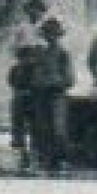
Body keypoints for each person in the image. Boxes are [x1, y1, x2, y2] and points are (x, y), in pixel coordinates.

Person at [27, 18, 75, 175]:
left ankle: (63, 161)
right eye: (48, 34)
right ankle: (44, 161)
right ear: (45, 36)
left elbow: (70, 79)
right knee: (41, 128)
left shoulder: (63, 54)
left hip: (57, 96)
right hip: (41, 96)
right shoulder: (39, 53)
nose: (51, 37)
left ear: (58, 36)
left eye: (54, 34)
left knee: (59, 129)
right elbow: (33, 76)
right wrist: (37, 82)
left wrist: (54, 82)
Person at [9, 0, 47, 153]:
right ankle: (18, 139)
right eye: (32, 9)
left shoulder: (45, 28)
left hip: (39, 69)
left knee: (38, 107)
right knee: (19, 104)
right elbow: (15, 49)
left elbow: (48, 49)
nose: (35, 12)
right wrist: (24, 56)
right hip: (24, 68)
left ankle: (37, 141)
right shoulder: (21, 28)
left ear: (42, 12)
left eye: (38, 10)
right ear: (27, 11)